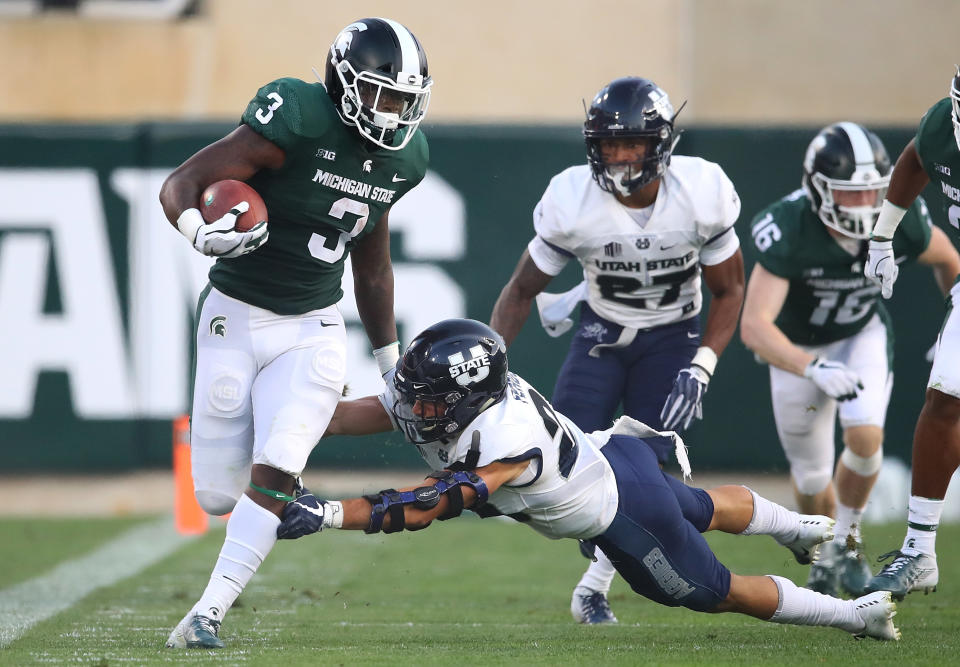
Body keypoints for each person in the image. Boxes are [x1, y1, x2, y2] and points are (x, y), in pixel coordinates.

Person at [276, 318, 901, 641]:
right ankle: (802, 527)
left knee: (713, 590)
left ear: (466, 398)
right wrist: (283, 425)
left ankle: (854, 616)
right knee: (700, 504)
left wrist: (328, 513)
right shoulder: (458, 398)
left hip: (623, 513)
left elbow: (434, 503)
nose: (413, 409)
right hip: (613, 457)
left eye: (428, 400)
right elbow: (347, 415)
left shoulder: (503, 439)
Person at [158, 17, 432, 649]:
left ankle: (206, 615)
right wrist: (199, 231)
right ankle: (273, 469)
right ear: (341, 83)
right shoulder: (298, 119)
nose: (392, 113)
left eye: (403, 100)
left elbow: (373, 264)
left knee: (276, 468)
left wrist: (389, 361)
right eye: (380, 94)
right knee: (218, 495)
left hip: (314, 324)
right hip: (235, 310)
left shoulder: (405, 156)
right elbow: (181, 185)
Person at [489, 76, 745, 623]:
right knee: (567, 455)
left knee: (644, 477)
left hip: (673, 338)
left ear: (660, 146)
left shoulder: (701, 192)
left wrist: (703, 364)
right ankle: (594, 559)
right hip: (601, 334)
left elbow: (730, 290)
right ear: (592, 148)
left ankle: (592, 591)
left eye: (633, 144)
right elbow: (520, 291)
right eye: (610, 146)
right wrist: (492, 366)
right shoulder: (573, 200)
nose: (622, 157)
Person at [741, 122, 960, 599]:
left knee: (866, 439)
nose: (864, 208)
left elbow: (948, 259)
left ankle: (849, 542)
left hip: (861, 334)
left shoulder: (900, 218)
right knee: (812, 478)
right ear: (818, 189)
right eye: (849, 195)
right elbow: (755, 326)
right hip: (797, 350)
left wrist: (953, 316)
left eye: (871, 194)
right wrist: (811, 367)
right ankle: (824, 551)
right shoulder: (791, 227)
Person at [863, 69, 960, 600]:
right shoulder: (944, 122)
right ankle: (919, 549)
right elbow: (915, 158)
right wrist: (883, 234)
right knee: (943, 400)